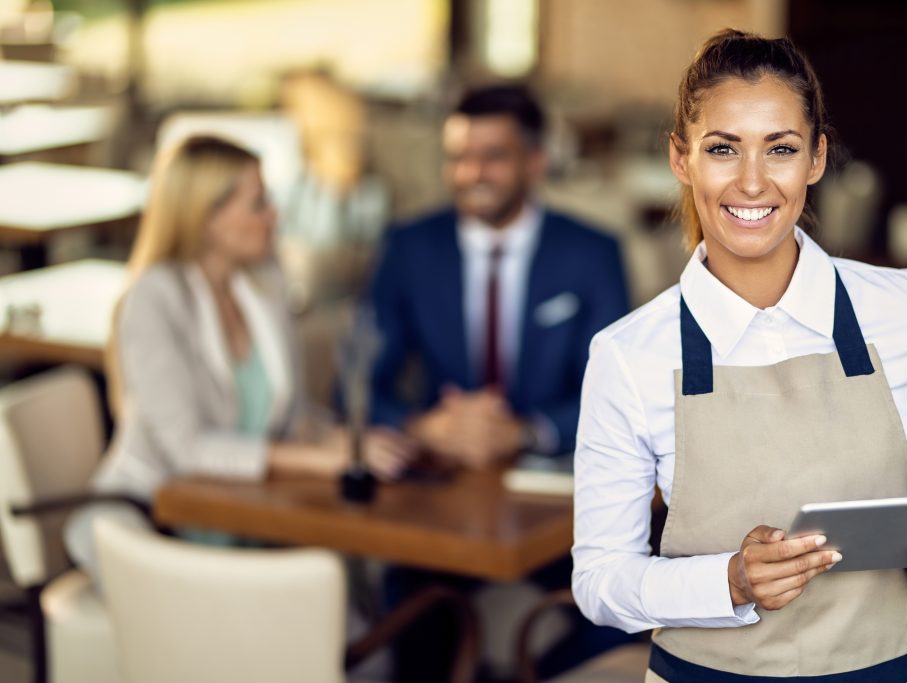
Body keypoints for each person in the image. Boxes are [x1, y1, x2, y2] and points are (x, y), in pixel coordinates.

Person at [571, 29, 907, 682]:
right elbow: (599, 581)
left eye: (781, 149)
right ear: (681, 160)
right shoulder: (629, 354)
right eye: (722, 148)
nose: (751, 181)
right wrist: (730, 581)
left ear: (817, 158)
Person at [65, 136, 412, 577]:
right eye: (258, 204)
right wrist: (317, 459)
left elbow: (283, 413)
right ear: (207, 217)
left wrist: (344, 441)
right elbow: (186, 449)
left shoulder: (262, 285)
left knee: (347, 596)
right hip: (153, 523)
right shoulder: (155, 299)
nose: (274, 216)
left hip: (241, 513)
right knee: (326, 599)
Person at [365, 84, 630, 469]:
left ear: (535, 161)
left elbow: (617, 393)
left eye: (493, 157)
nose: (472, 174)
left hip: (554, 475)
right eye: (458, 157)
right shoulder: (408, 247)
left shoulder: (592, 254)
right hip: (438, 470)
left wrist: (527, 432)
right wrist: (422, 426)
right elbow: (357, 387)